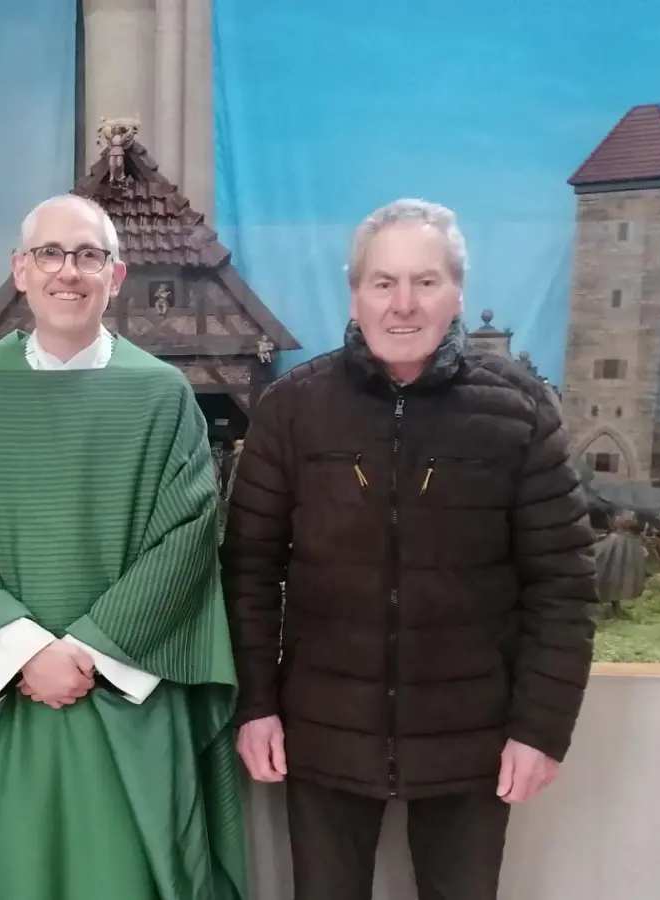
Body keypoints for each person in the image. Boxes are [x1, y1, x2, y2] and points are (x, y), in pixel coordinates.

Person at [221, 198, 598, 900]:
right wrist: (256, 706)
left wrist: (540, 730)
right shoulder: (293, 409)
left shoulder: (520, 413)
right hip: (322, 733)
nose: (403, 305)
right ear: (355, 293)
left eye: (425, 282)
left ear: (458, 292)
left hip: (473, 741)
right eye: (383, 282)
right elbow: (249, 571)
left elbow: (562, 589)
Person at [0, 194, 249, 900]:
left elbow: (188, 534)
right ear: (20, 271)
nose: (69, 271)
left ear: (115, 277)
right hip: (5, 701)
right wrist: (25, 651)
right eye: (50, 254)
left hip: (126, 696)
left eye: (89, 255)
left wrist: (85, 652)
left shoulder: (161, 394)